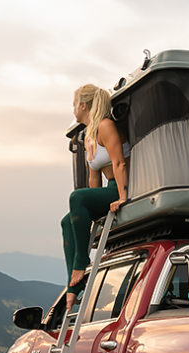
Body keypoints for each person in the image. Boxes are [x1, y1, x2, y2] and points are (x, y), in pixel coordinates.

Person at [54, 84, 129, 317]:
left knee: (76, 196)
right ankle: (74, 284)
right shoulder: (89, 134)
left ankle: (81, 261)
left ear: (83, 105)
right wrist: (93, 207)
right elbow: (93, 177)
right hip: (108, 189)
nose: (73, 109)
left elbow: (119, 163)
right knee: (67, 222)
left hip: (122, 186)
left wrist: (124, 197)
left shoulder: (106, 126)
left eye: (74, 104)